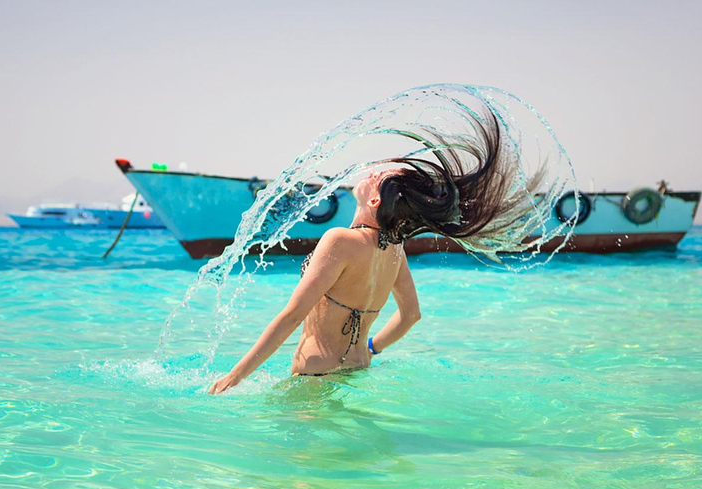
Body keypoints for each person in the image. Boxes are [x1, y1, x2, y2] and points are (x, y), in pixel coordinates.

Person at [208, 106, 539, 394]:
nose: (372, 171)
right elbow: (411, 316)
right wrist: (370, 347)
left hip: (315, 378)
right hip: (358, 371)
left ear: (375, 200)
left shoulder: (340, 240)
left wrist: (234, 377)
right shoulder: (395, 251)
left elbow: (292, 315)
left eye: (380, 175)